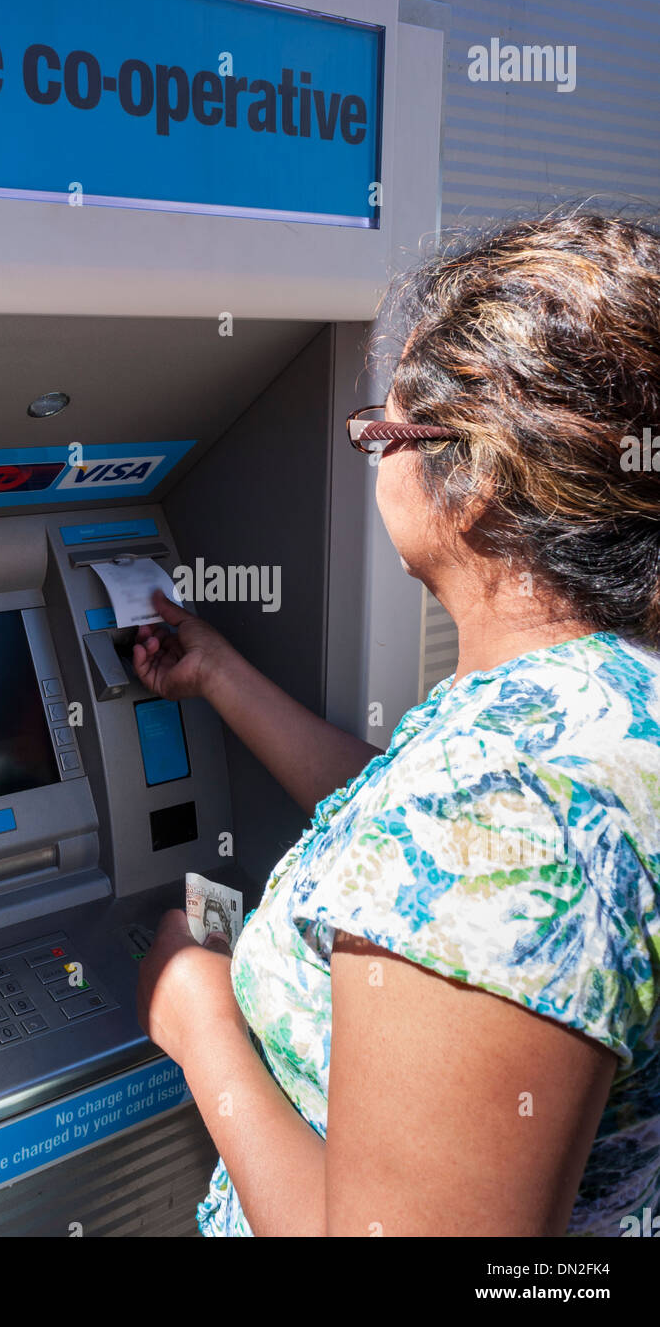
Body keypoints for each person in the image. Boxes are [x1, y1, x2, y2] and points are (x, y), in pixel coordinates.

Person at [133, 210, 660, 1237]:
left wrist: (198, 1026)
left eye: (381, 431)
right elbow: (435, 857)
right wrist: (227, 676)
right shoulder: (595, 699)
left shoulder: (499, 807)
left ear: (479, 488)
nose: (371, 454)